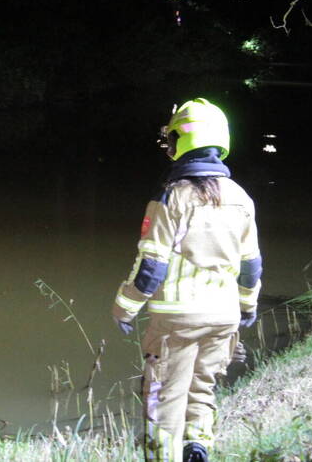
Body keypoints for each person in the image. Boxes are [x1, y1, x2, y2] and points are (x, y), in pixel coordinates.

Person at [111, 98, 262, 462]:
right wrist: (247, 307)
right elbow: (252, 265)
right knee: (202, 390)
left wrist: (123, 308)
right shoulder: (241, 198)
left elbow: (151, 267)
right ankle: (198, 449)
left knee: (163, 400)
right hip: (223, 317)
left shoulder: (170, 197)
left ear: (182, 140)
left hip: (175, 321)